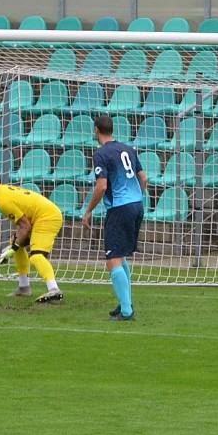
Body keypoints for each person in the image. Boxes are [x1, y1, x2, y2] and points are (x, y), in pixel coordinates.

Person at [81, 115, 147, 321]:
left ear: (96, 131)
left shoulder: (102, 153)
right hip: (137, 204)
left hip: (120, 208)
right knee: (120, 255)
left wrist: (89, 210)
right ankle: (125, 302)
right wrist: (136, 197)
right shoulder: (128, 148)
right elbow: (143, 178)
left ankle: (127, 312)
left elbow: (102, 186)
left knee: (112, 259)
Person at [0, 165, 64, 303]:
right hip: (38, 217)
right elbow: (24, 225)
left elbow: (25, 226)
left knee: (36, 256)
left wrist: (12, 250)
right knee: (15, 242)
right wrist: (14, 246)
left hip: (47, 217)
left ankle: (54, 289)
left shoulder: (2, 199)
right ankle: (24, 287)